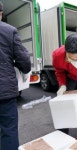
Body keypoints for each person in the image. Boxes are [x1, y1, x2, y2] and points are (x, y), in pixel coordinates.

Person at [0, 1, 31, 149]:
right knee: (9, 129)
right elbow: (23, 59)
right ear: (0, 14)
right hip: (4, 91)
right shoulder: (9, 31)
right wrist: (25, 69)